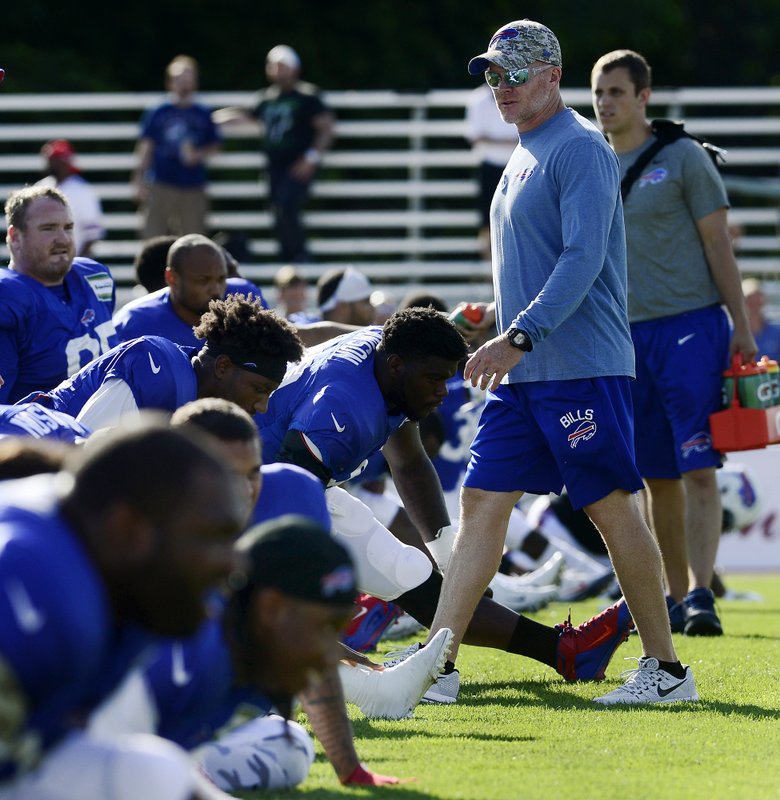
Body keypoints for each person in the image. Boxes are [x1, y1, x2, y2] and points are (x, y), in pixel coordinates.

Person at [421, 20, 698, 706]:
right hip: (531, 365)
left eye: (513, 74)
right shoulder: (524, 151)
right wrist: (491, 315)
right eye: (491, 75)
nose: (500, 87)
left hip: (577, 364)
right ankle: (439, 663)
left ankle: (666, 672)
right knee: (482, 501)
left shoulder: (578, 148)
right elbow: (539, 261)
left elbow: (582, 259)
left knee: (610, 508)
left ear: (551, 74)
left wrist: (519, 333)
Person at [258, 306, 637, 708]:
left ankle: (564, 651)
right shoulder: (345, 408)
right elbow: (290, 517)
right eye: (434, 379)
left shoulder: (386, 359)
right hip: (256, 495)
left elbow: (409, 462)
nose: (442, 391)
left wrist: (447, 554)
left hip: (299, 483)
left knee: (413, 573)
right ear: (398, 365)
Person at [591, 49, 758, 637]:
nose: (606, 102)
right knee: (655, 475)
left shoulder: (684, 157)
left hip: (690, 327)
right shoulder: (590, 162)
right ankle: (676, 593)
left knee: (698, 467)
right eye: (599, 92)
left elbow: (719, 246)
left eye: (617, 91)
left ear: (643, 96)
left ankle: (703, 595)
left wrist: (741, 324)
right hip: (623, 337)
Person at [0, 419, 246, 798]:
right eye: (212, 537)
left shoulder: (117, 581)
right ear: (126, 529)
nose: (234, 565)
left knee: (154, 776)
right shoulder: (35, 593)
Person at [21, 294, 303, 430]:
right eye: (260, 388)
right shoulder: (157, 368)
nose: (263, 406)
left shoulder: (198, 399)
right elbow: (80, 453)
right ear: (223, 367)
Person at [213, 45, 335, 263]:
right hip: (274, 165)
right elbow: (245, 116)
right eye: (275, 66)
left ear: (294, 68)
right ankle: (287, 256)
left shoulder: (306, 97)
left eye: (283, 66)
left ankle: (298, 255)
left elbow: (326, 128)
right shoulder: (267, 99)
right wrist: (209, 118)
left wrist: (311, 158)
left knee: (287, 206)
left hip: (297, 162)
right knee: (276, 209)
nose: (279, 71)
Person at [1, 185, 118, 404]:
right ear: (15, 237)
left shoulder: (95, 277)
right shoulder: (8, 297)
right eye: (48, 228)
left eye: (68, 227)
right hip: (38, 434)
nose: (63, 239)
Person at [113, 234, 267, 346]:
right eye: (203, 280)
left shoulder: (245, 298)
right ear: (172, 278)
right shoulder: (133, 323)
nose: (215, 290)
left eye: (221, 279)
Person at [133, 55, 221, 239]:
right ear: (170, 82)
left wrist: (197, 155)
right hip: (161, 181)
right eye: (180, 79)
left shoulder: (203, 112)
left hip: (192, 183)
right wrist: (139, 178)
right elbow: (146, 147)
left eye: (188, 80)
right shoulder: (158, 111)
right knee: (153, 235)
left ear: (195, 83)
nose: (184, 85)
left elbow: (215, 144)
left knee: (195, 238)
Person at [465, 83, 518, 262]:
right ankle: (491, 277)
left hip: (518, 167)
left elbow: (481, 137)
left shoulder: (519, 92)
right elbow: (476, 137)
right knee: (487, 223)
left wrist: (493, 140)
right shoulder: (478, 99)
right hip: (490, 167)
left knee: (519, 219)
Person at [35, 139, 105, 257]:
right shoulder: (41, 187)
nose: (49, 162)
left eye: (54, 159)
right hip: (44, 263)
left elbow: (92, 235)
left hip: (72, 258)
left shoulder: (82, 191)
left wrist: (75, 263)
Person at [742, 277, 780, 360]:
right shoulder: (731, 334)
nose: (754, 304)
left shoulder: (777, 331)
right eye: (750, 299)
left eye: (757, 299)